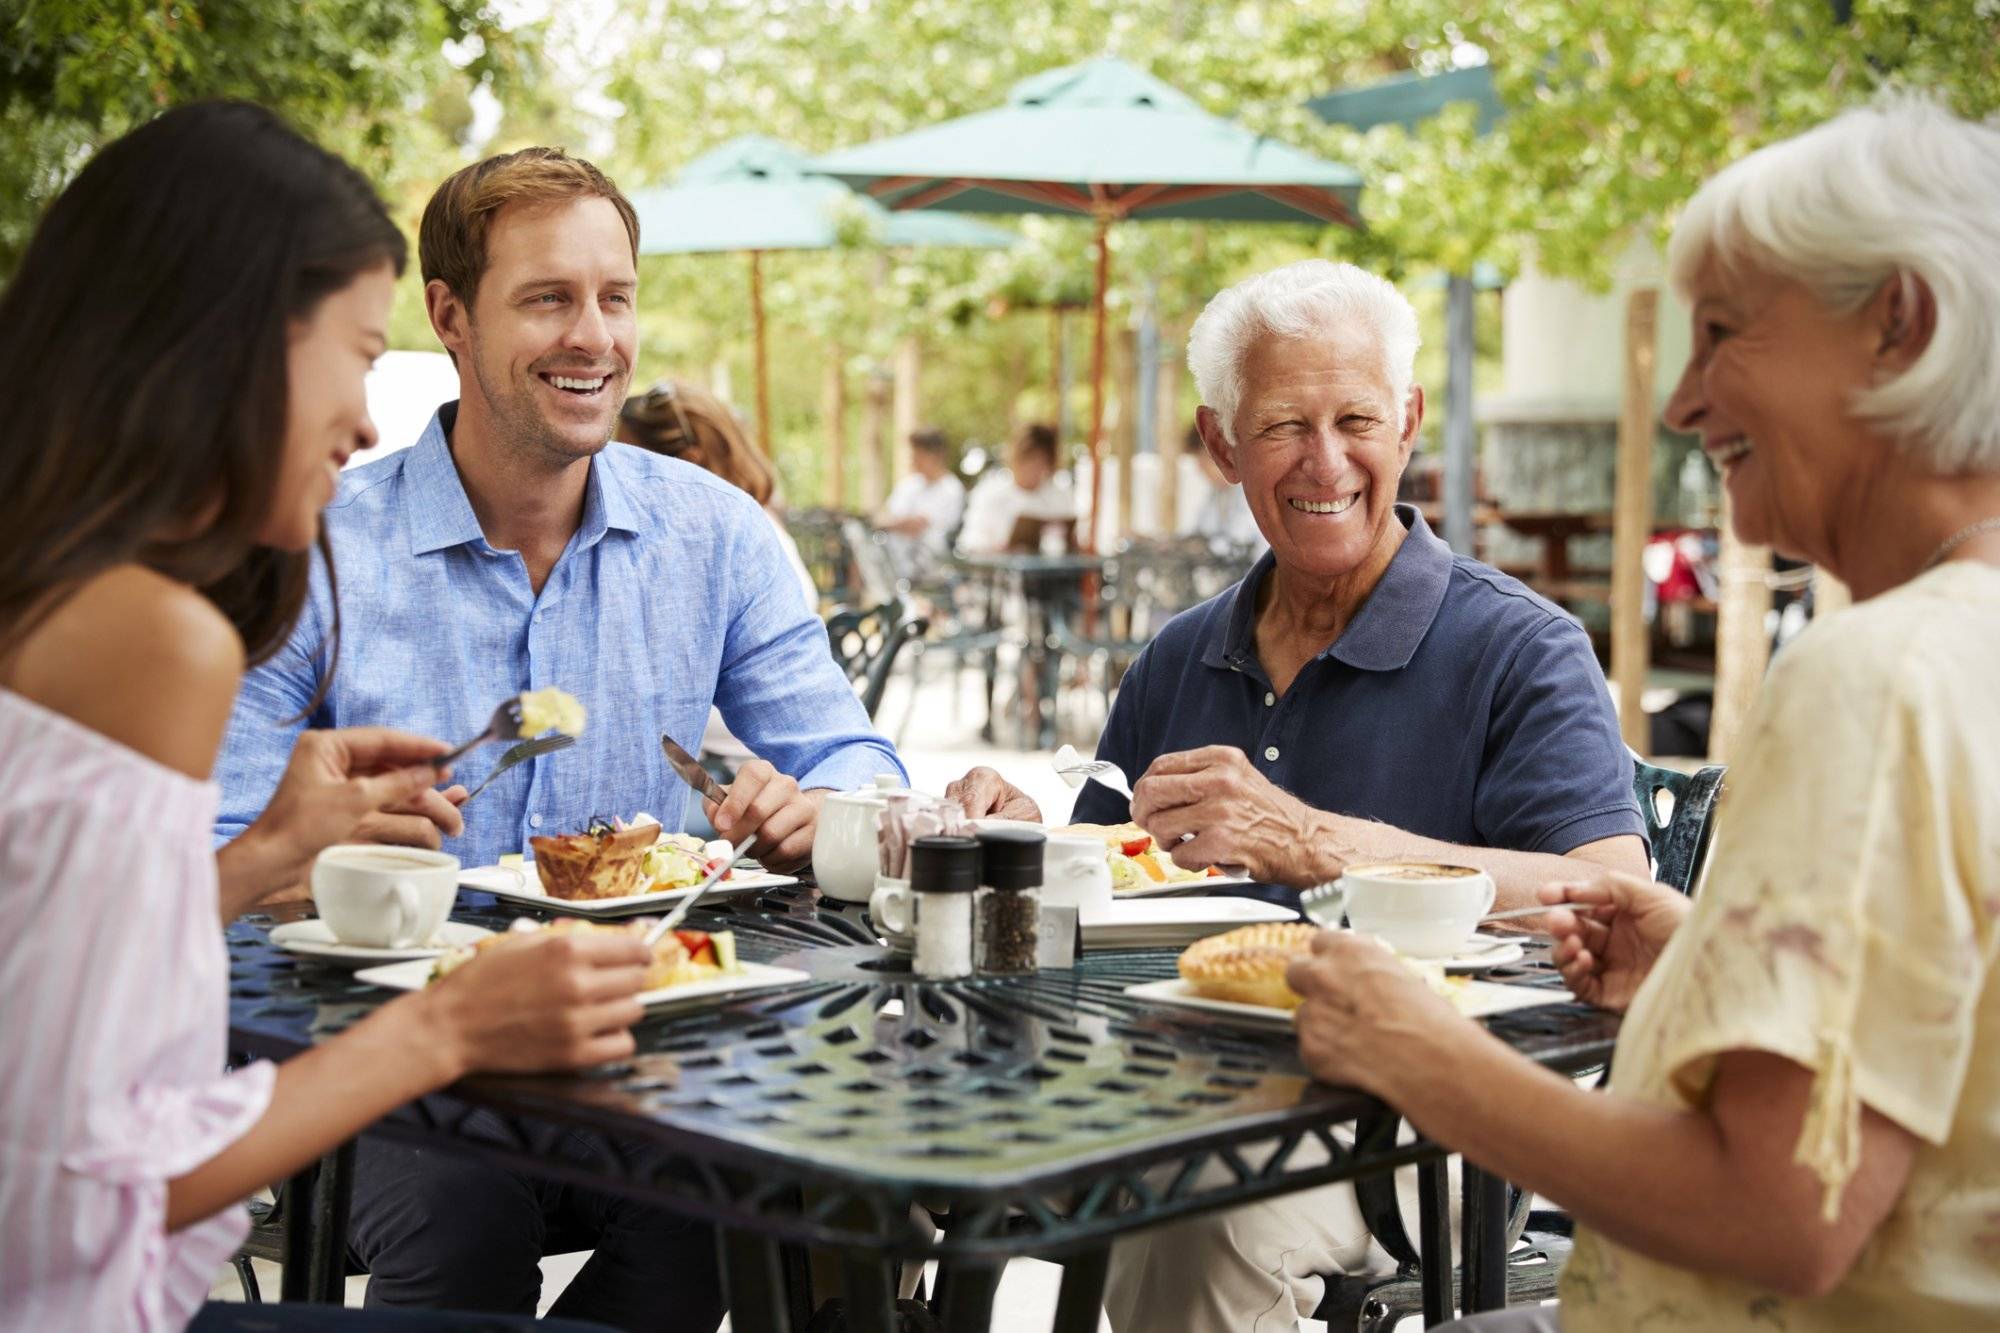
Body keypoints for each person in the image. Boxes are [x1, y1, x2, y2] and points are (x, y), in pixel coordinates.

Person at [1307, 96, 2000, 1333]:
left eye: (1723, 333)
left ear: (1900, 323)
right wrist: (1705, 965)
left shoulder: (1873, 674)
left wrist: (1415, 1049)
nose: (1683, 401)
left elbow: (1776, 1215)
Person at [211, 146, 904, 1327]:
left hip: (645, 1046)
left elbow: (859, 764)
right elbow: (215, 846)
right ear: (449, 318)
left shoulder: (714, 536)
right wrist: (307, 846)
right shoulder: (315, 548)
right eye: (547, 298)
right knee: (463, 1218)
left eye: (614, 297)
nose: (594, 336)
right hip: (380, 1056)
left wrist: (820, 809)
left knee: (730, 1201)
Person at [0, 101, 646, 1333]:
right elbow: (82, 1191)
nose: (362, 424)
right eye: (353, 357)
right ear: (227, 351)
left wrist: (256, 860)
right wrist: (446, 1028)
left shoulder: (44, 588)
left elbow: (31, 1001)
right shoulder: (152, 636)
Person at [946, 258, 1650, 1328]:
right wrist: (1022, 838)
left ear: (1408, 420)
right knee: (921, 1152)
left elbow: (1601, 891)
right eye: (1281, 426)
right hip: (1166, 1085)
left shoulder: (1519, 647)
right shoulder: (1183, 655)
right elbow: (1103, 881)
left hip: (1426, 1120)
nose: (1326, 461)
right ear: (1221, 443)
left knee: (1201, 1210)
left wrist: (1316, 841)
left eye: (1355, 417)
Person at [617, 379, 817, 776]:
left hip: (734, 766)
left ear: (687, 463)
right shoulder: (760, 526)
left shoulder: (731, 548)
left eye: (627, 462)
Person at [955, 421, 1076, 553]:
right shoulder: (990, 491)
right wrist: (996, 549)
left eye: (1040, 462)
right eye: (1029, 459)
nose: (1033, 468)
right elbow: (970, 541)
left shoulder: (1060, 495)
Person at [876, 426, 966, 556]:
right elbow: (882, 516)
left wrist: (892, 524)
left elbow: (916, 526)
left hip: (928, 564)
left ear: (936, 455)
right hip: (891, 558)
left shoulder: (952, 489)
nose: (913, 459)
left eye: (918, 454)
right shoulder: (908, 484)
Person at [1177, 422, 1264, 551]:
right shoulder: (1218, 492)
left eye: (1201, 460)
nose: (1199, 468)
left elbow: (1241, 539)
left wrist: (1204, 547)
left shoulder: (1251, 490)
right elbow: (1200, 531)